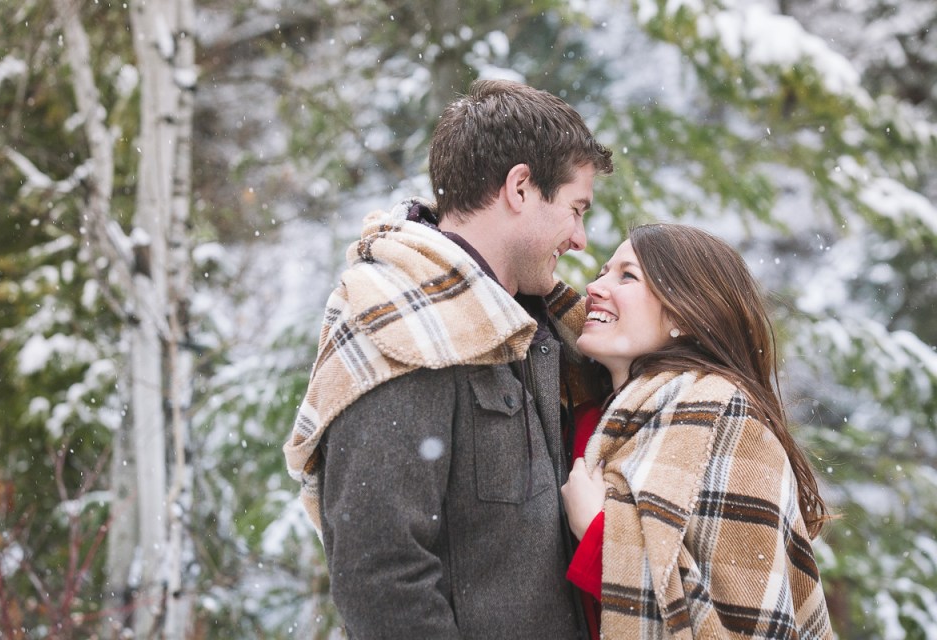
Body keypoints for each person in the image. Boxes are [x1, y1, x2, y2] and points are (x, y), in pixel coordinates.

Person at [283, 79, 613, 639]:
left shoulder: (533, 324)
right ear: (521, 188)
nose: (579, 239)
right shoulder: (401, 330)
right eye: (575, 209)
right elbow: (381, 574)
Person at [560, 223, 834, 639]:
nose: (595, 287)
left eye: (627, 276)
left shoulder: (728, 423)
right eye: (602, 272)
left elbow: (740, 625)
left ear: (683, 314)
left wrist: (598, 532)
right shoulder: (589, 419)